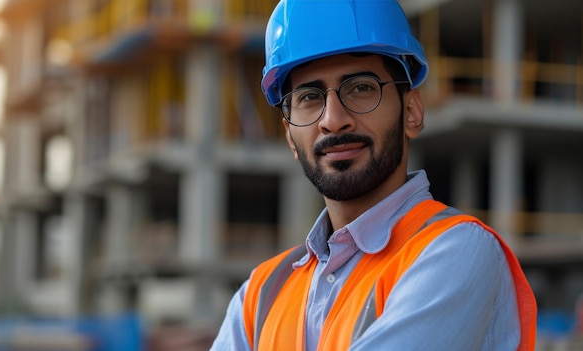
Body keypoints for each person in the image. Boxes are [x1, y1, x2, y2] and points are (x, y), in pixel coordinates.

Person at [211, 0, 537, 350]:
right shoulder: (259, 296)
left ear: (411, 111)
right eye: (309, 96)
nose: (333, 119)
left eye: (361, 88)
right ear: (290, 136)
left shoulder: (456, 252)